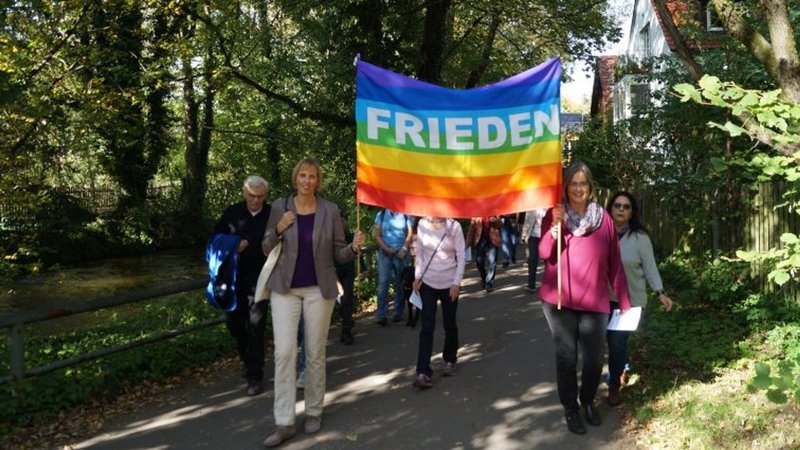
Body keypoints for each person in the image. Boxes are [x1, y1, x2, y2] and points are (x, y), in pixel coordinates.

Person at [261, 158, 365, 447]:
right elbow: (265, 247)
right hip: (285, 289)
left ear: (318, 181)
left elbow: (337, 253)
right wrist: (279, 228)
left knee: (315, 352)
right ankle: (283, 422)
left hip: (319, 289)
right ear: (295, 179)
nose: (307, 180)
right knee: (284, 354)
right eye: (302, 175)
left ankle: (314, 410)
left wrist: (353, 248)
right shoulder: (280, 207)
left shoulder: (329, 210)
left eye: (313, 176)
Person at [538, 162, 631, 435]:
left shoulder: (603, 219)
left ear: (590, 187)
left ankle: (587, 400)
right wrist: (552, 233)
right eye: (573, 183)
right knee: (566, 357)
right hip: (559, 301)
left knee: (593, 358)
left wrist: (624, 301)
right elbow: (544, 254)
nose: (578, 188)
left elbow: (615, 264)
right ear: (565, 186)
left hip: (595, 301)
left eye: (583, 183)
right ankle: (570, 408)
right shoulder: (554, 215)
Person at [605, 191, 673, 406]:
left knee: (616, 342)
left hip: (631, 301)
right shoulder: (600, 234)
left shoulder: (639, 238)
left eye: (626, 206)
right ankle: (623, 366)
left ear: (632, 212)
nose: (621, 210)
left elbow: (650, 267)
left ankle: (613, 385)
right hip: (603, 299)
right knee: (609, 342)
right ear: (611, 208)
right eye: (617, 205)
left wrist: (660, 292)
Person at [212, 175, 271, 397]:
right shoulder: (232, 213)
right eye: (251, 196)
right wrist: (232, 245)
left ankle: (254, 375)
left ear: (265, 196)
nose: (255, 200)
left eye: (260, 197)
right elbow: (215, 238)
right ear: (244, 193)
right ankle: (248, 361)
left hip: (262, 278)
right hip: (234, 278)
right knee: (235, 324)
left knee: (256, 325)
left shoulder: (271, 214)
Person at [411, 216, 466, 389]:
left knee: (449, 324)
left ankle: (450, 360)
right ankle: (423, 371)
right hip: (428, 282)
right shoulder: (422, 224)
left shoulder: (454, 226)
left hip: (449, 282)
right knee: (426, 326)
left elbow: (461, 255)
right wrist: (417, 276)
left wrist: (457, 283)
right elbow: (419, 253)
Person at [373, 208, 414, 325]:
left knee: (401, 283)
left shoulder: (406, 214)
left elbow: (409, 234)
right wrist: (386, 249)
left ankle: (398, 313)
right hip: (385, 253)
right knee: (383, 282)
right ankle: (381, 315)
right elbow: (378, 235)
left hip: (401, 253)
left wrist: (404, 249)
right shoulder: (380, 215)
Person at [336, 212, 357, 345]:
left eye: (344, 221)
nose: (342, 224)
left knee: (347, 299)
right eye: (339, 221)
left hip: (348, 272)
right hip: (333, 273)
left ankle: (346, 330)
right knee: (339, 302)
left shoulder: (351, 237)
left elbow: (356, 252)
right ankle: (346, 321)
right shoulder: (331, 237)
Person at [466, 216, 501, 292]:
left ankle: (489, 283)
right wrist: (467, 244)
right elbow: (471, 229)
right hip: (480, 240)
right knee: (479, 261)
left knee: (492, 261)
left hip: (493, 240)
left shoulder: (494, 211)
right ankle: (484, 277)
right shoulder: (476, 214)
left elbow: (501, 225)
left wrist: (496, 220)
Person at [521, 208, 547, 291]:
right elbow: (527, 220)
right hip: (533, 236)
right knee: (532, 259)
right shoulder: (532, 205)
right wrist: (524, 233)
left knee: (547, 259)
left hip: (546, 235)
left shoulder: (549, 205)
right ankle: (531, 284)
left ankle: (549, 283)